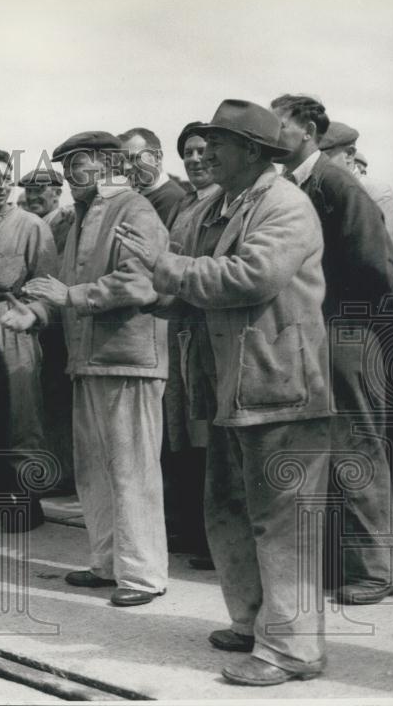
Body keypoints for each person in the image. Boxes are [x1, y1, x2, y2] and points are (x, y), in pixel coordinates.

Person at [116, 99, 331, 686]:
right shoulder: (221, 203)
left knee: (282, 523)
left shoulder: (285, 205)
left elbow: (248, 278)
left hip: (279, 386)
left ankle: (293, 650)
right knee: (231, 510)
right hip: (234, 389)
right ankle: (255, 622)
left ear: (255, 152)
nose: (206, 151)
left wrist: (163, 269)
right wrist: (157, 295)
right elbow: (200, 285)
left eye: (220, 141)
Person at [2, 130, 170, 607]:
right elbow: (68, 288)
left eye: (76, 164)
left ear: (104, 163)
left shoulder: (133, 208)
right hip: (91, 362)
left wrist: (69, 298)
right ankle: (108, 564)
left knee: (131, 470)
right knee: (96, 470)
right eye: (67, 166)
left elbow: (142, 282)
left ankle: (143, 576)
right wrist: (35, 313)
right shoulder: (85, 216)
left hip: (128, 361)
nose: (69, 175)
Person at [272, 94, 393, 606]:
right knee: (328, 449)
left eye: (279, 124)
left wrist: (347, 329)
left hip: (349, 333)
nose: (270, 133)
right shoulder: (301, 183)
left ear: (307, 129)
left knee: (357, 447)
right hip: (321, 332)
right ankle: (343, 562)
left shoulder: (333, 183)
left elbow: (376, 267)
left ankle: (376, 569)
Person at [0, 149, 58, 531]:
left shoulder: (31, 225)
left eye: (6, 178)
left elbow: (45, 286)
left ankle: (26, 497)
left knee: (21, 413)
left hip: (13, 323)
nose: (1, 185)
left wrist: (31, 317)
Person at [160, 122, 223, 569]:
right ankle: (188, 528)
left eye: (202, 151)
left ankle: (210, 539)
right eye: (187, 154)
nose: (195, 160)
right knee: (182, 432)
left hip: (208, 331)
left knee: (207, 432)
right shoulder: (186, 204)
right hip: (180, 329)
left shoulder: (225, 203)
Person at [18, 167, 73, 494]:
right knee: (44, 397)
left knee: (57, 397)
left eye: (42, 190)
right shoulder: (34, 224)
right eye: (30, 190)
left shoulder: (65, 224)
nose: (35, 195)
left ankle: (64, 473)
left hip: (58, 321)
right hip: (37, 321)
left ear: (57, 192)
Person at [319, 121, 393, 247]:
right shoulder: (319, 191)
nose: (316, 163)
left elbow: (383, 256)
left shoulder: (378, 194)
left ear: (349, 154)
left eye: (323, 156)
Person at [119, 127, 187, 224]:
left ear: (157, 158)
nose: (126, 167)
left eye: (134, 158)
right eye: (122, 160)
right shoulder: (143, 194)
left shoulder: (172, 199)